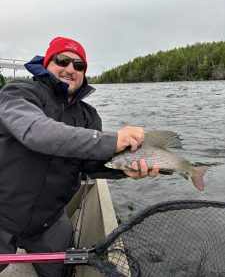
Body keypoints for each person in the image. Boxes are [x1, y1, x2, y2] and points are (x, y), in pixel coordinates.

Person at [0, 36, 159, 277]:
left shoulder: (88, 116)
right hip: (3, 215)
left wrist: (124, 169)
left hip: (49, 221)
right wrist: (111, 140)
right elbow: (36, 132)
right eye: (62, 60)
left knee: (58, 273)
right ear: (46, 63)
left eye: (79, 65)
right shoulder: (18, 92)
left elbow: (91, 164)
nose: (70, 69)